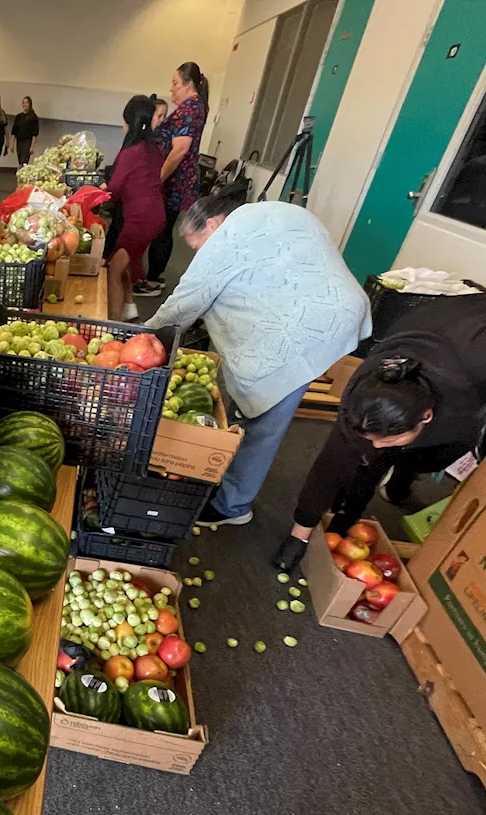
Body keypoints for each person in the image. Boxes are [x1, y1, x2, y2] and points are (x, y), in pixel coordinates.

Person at [273, 294, 486, 570]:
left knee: (440, 453)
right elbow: (329, 467)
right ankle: (357, 506)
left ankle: (406, 472)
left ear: (427, 417)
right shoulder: (364, 396)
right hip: (434, 338)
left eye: (389, 438)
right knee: (361, 456)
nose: (376, 443)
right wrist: (298, 534)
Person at [146, 193, 372, 526]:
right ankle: (226, 478)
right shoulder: (276, 211)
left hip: (303, 330)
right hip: (339, 313)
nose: (197, 255)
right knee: (262, 408)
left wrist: (139, 337)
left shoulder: (227, 237)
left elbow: (185, 304)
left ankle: (232, 507)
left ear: (213, 224)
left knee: (264, 419)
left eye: (196, 247)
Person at [137, 63, 208, 297]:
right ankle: (153, 277)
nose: (172, 88)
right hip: (174, 179)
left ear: (188, 84)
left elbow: (179, 150)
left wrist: (157, 180)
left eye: (175, 83)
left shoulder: (191, 109)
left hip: (174, 181)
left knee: (161, 229)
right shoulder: (191, 107)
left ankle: (153, 281)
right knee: (162, 228)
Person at [103, 96, 166, 322]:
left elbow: (116, 188)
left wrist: (101, 193)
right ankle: (130, 310)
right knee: (127, 262)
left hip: (140, 218)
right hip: (156, 213)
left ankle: (112, 324)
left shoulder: (130, 152)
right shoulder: (154, 147)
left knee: (114, 267)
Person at [11, 96, 40, 167]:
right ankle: (21, 175)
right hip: (19, 141)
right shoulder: (18, 117)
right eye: (23, 103)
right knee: (20, 161)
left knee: (24, 161)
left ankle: (21, 175)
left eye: (27, 102)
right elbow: (14, 131)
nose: (25, 104)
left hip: (27, 141)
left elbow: (35, 133)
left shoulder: (33, 117)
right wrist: (11, 144)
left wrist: (32, 146)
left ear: (30, 104)